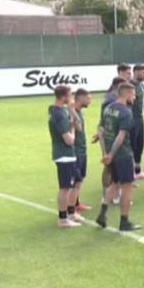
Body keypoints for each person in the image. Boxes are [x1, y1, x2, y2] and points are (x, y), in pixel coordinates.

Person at [94, 82, 142, 231]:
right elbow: (121, 136)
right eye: (133, 94)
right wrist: (111, 154)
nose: (134, 97)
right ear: (126, 94)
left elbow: (100, 131)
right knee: (127, 187)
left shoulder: (108, 108)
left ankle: (102, 213)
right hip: (123, 154)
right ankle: (124, 221)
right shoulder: (126, 112)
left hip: (111, 153)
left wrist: (106, 153)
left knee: (115, 183)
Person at [48, 85, 80, 228]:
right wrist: (72, 128)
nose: (72, 97)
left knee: (76, 182)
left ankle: (71, 213)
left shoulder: (56, 110)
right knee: (65, 187)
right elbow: (69, 140)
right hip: (64, 155)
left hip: (67, 154)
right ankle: (63, 219)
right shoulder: (59, 114)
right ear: (63, 97)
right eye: (70, 94)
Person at [69, 88, 91, 221]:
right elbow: (78, 128)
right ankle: (71, 210)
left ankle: (76, 203)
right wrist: (72, 110)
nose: (90, 101)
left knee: (80, 178)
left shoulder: (79, 111)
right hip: (75, 152)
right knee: (75, 181)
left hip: (82, 150)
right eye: (88, 98)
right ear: (80, 98)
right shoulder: (71, 113)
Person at [130, 65, 144, 180]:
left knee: (139, 145)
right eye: (142, 72)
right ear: (135, 72)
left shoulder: (141, 85)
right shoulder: (129, 86)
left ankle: (137, 171)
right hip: (131, 120)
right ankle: (129, 172)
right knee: (131, 146)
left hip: (140, 119)